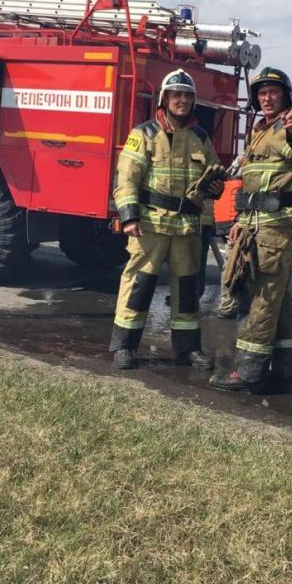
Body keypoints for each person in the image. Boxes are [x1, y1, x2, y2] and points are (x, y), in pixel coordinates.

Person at [209, 68, 292, 393]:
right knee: (278, 299)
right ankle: (287, 370)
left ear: (285, 96)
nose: (266, 97)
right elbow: (253, 185)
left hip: (279, 226)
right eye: (261, 92)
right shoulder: (260, 132)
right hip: (256, 224)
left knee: (260, 297)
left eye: (273, 91)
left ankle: (248, 371)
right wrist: (240, 224)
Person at [110, 69, 224, 370]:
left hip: (187, 227)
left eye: (187, 95)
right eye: (177, 95)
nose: (182, 100)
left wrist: (216, 187)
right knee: (139, 284)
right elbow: (126, 179)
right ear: (165, 99)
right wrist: (129, 216)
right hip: (150, 225)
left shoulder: (201, 137)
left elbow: (213, 173)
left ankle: (187, 351)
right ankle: (124, 347)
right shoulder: (144, 134)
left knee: (187, 290)